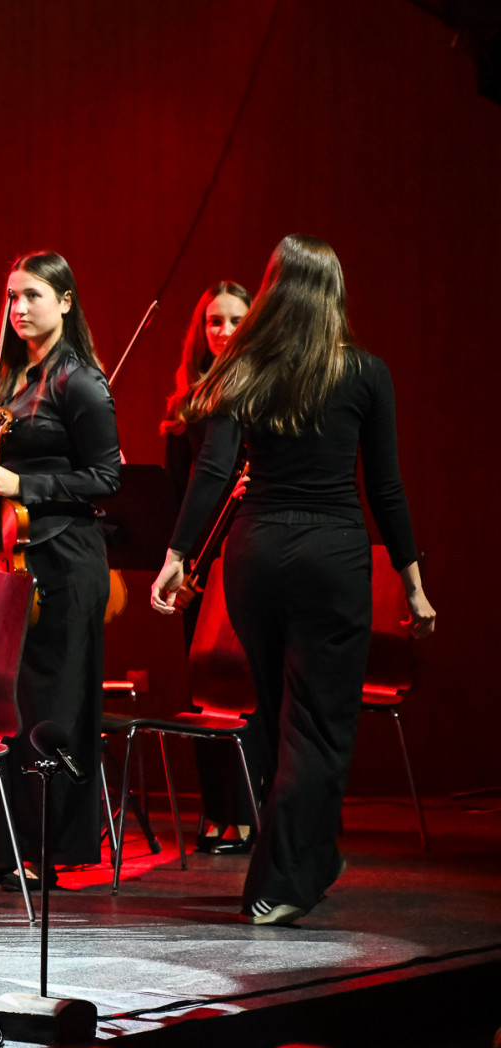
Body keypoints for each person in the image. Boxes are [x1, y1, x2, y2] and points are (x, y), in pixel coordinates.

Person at [151, 234, 435, 925]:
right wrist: (413, 580)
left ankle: (313, 858)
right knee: (319, 725)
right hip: (331, 557)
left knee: (281, 717)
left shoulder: (241, 366)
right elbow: (386, 487)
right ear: (334, 294)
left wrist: (177, 555)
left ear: (272, 291)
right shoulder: (365, 373)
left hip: (254, 556)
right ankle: (278, 883)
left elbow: (213, 469)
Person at [0, 251, 122, 892]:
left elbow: (107, 478)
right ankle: (5, 848)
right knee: (5, 705)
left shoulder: (81, 381)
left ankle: (53, 848)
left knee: (56, 708)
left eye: (33, 296)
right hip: (10, 559)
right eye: (12, 297)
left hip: (65, 561)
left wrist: (29, 484)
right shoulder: (8, 378)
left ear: (66, 302)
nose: (18, 308)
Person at [161, 280, 259, 854]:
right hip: (194, 568)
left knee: (241, 687)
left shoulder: (260, 390)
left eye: (235, 320)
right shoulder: (188, 402)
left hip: (241, 558)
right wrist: (179, 563)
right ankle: (215, 810)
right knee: (203, 690)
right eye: (214, 321)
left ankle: (245, 813)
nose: (223, 331)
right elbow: (180, 495)